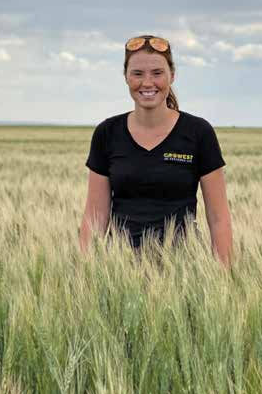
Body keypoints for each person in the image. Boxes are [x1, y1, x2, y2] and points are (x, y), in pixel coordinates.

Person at [79, 35, 233, 268]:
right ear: (126, 77)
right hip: (119, 270)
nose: (147, 83)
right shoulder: (107, 133)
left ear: (172, 75)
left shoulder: (198, 132)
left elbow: (219, 217)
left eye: (157, 73)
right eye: (138, 74)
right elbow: (95, 217)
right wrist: (86, 275)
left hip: (185, 270)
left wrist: (224, 279)